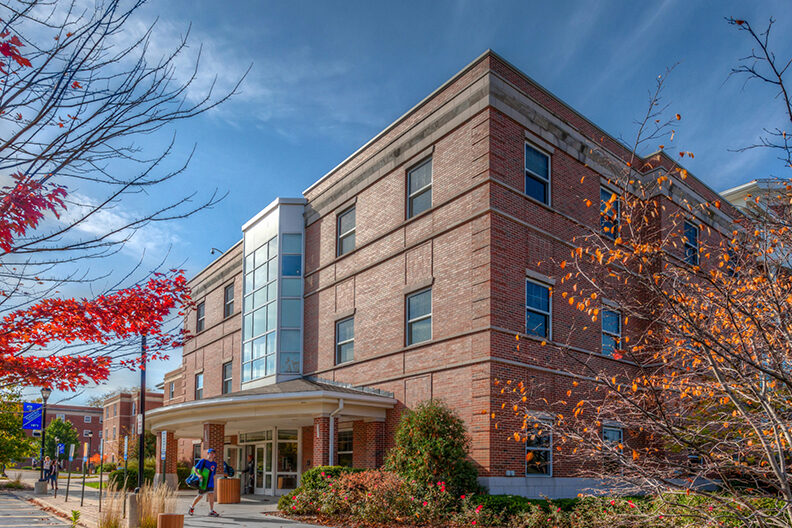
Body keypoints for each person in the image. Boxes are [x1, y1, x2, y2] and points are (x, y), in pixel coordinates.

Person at [188, 448, 219, 517]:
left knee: (211, 495)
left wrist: (214, 482)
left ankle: (211, 511)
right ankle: (191, 507)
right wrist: (198, 475)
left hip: (210, 483)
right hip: (204, 482)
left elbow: (214, 474)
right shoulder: (203, 461)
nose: (212, 454)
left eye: (213, 453)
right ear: (208, 454)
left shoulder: (214, 464)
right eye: (211, 453)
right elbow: (195, 469)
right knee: (200, 496)